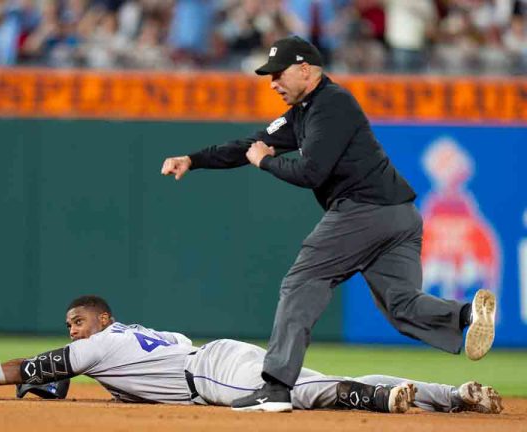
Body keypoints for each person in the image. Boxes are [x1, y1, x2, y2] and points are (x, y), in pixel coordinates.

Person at [159, 35, 497, 412]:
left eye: (278, 74)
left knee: (303, 281)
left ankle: (275, 389)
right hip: (399, 216)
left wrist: (265, 162)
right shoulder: (304, 111)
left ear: (305, 69)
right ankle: (467, 315)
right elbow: (251, 143)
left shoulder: (330, 105)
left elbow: (311, 171)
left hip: (364, 210)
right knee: (401, 304)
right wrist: (193, 158)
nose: (272, 83)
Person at [0, 295, 503, 415]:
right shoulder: (117, 343)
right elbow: (50, 381)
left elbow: (31, 371)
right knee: (317, 379)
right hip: (213, 359)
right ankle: (451, 396)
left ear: (102, 320)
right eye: (68, 325)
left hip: (211, 372)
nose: (72, 332)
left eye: (79, 322)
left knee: (294, 394)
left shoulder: (100, 343)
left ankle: (381, 399)